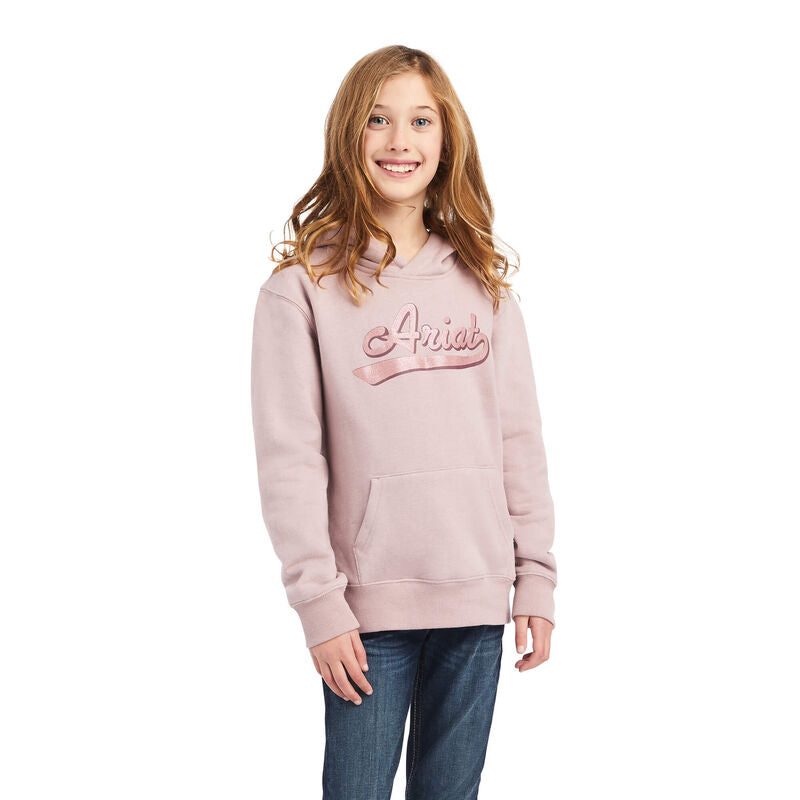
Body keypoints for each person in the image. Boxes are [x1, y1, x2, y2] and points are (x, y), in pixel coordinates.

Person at [250, 44, 558, 800]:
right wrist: (319, 604)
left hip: (478, 597)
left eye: (421, 121)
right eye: (378, 119)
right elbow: (291, 460)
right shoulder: (302, 290)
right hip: (363, 611)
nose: (400, 140)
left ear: (447, 139)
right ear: (348, 134)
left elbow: (519, 443)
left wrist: (536, 579)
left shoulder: (485, 286)